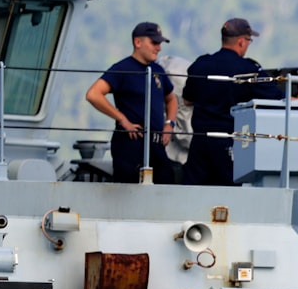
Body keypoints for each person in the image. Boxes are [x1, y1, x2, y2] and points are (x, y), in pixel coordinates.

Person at [181, 18, 287, 186]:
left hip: (200, 142)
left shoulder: (200, 65)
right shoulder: (248, 70)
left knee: (193, 192)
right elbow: (276, 98)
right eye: (249, 41)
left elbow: (187, 100)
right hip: (228, 142)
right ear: (241, 42)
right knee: (230, 195)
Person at [85, 22, 178, 184]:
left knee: (166, 186)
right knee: (129, 191)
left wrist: (169, 124)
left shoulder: (158, 71)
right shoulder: (122, 69)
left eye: (160, 44)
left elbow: (171, 99)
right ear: (138, 42)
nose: (159, 48)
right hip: (131, 143)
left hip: (156, 145)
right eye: (154, 43)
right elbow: (94, 94)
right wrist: (122, 119)